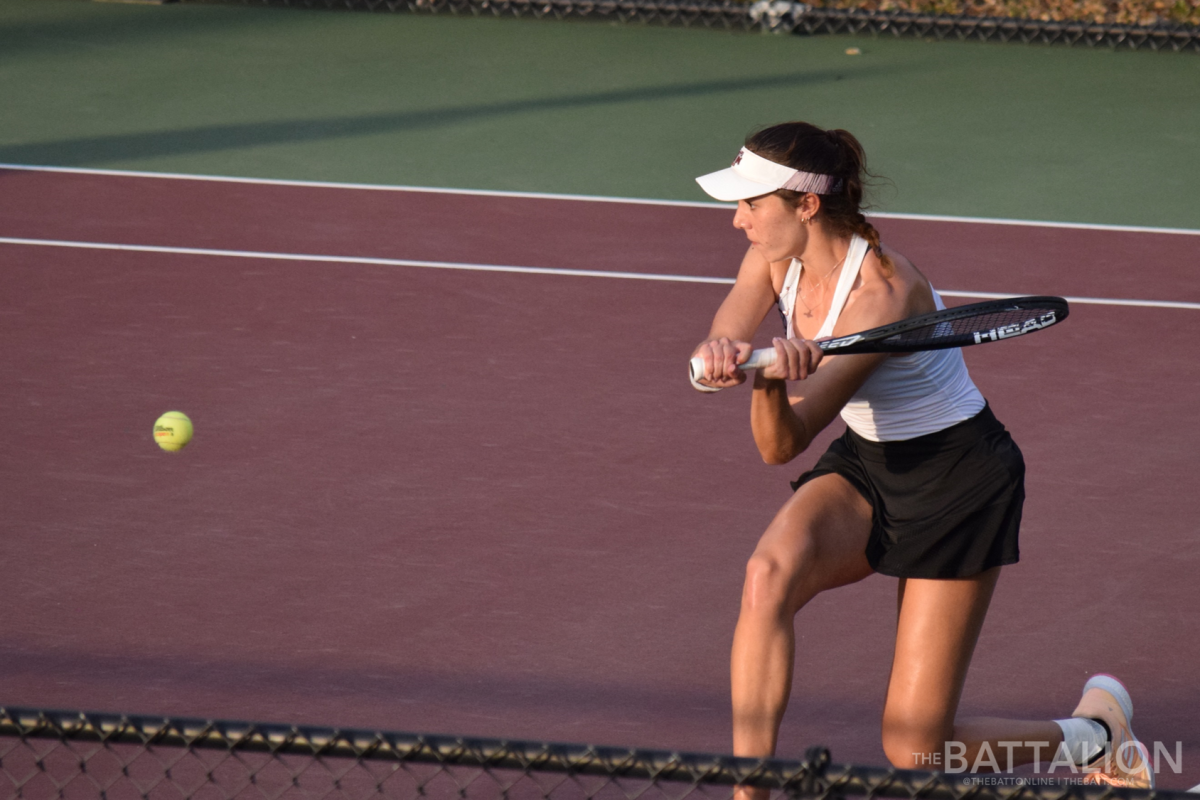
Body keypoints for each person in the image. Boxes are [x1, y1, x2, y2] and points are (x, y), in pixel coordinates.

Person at [689, 121, 1152, 791]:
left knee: (917, 750)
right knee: (767, 576)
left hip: (957, 481)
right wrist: (721, 352)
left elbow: (781, 443)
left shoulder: (883, 295)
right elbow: (729, 328)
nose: (738, 221)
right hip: (869, 465)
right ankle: (750, 788)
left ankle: (1097, 735)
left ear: (806, 205)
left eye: (751, 204)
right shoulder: (771, 255)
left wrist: (763, 379)